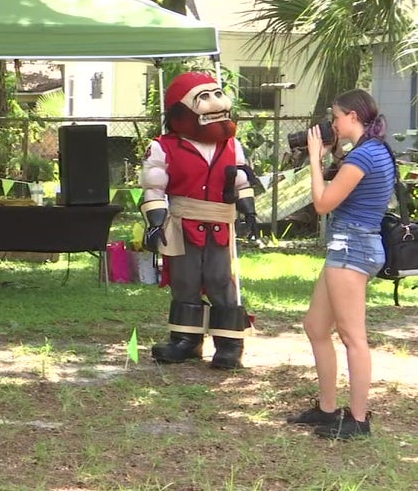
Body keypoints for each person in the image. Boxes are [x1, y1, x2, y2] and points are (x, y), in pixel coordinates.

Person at [286, 89, 394, 439]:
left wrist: (316, 159)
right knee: (316, 326)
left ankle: (359, 420)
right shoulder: (371, 151)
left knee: (352, 337)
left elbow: (322, 204)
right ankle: (327, 409)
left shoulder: (362, 158)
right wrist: (331, 153)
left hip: (353, 249)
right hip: (348, 248)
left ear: (352, 117)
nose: (332, 124)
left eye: (335, 117)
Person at [139, 72, 258, 370]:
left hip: (219, 222)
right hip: (182, 223)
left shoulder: (232, 145)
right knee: (185, 281)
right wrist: (155, 223)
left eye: (217, 94)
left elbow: (241, 181)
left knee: (221, 281)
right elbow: (154, 187)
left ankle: (230, 345)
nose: (215, 103)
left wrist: (250, 211)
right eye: (203, 97)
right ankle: (186, 341)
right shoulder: (163, 147)